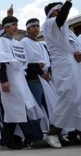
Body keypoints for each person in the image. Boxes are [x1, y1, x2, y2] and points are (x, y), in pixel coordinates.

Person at [42, 0, 81, 147]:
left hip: (76, 65)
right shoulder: (50, 24)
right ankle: (53, 132)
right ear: (54, 12)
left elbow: (79, 47)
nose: (62, 13)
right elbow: (60, 19)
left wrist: (80, 54)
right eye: (59, 10)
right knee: (67, 96)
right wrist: (68, 1)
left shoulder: (69, 31)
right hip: (63, 66)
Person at [0, 14, 43, 150]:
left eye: (16, 24)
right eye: (13, 24)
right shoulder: (1, 42)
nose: (16, 27)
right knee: (16, 108)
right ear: (6, 27)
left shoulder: (16, 43)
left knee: (20, 108)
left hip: (20, 78)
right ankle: (31, 137)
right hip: (10, 79)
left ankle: (9, 138)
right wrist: (4, 80)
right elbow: (0, 62)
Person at [20, 18, 58, 148]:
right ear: (28, 29)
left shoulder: (41, 44)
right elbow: (28, 63)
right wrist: (41, 73)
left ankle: (55, 134)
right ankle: (36, 137)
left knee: (51, 107)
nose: (36, 28)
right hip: (33, 80)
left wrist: (48, 73)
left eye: (37, 25)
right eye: (33, 26)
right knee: (35, 109)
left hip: (45, 79)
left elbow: (48, 61)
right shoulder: (24, 42)